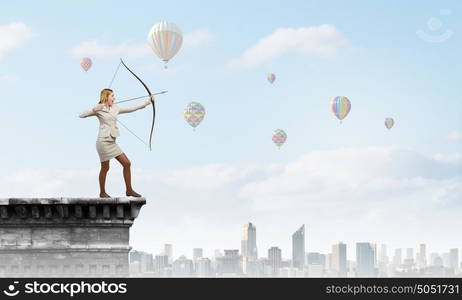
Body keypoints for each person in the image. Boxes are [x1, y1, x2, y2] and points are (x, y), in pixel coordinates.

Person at [79, 88, 154, 198]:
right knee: (105, 168)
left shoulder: (115, 108)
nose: (114, 98)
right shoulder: (99, 108)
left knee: (127, 164)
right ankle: (102, 192)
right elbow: (81, 115)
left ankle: (129, 190)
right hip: (103, 142)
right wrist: (94, 109)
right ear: (106, 97)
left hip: (112, 142)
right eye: (112, 96)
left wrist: (147, 103)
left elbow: (131, 108)